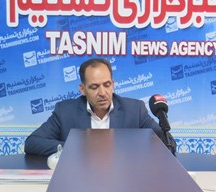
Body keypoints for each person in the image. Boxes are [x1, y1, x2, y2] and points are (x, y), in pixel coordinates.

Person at [23, 57, 165, 156]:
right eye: (94, 87)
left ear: (113, 84)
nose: (102, 93)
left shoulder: (135, 110)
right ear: (82, 89)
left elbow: (165, 142)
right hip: (80, 181)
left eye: (107, 85)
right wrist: (77, 147)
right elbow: (32, 142)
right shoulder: (65, 112)